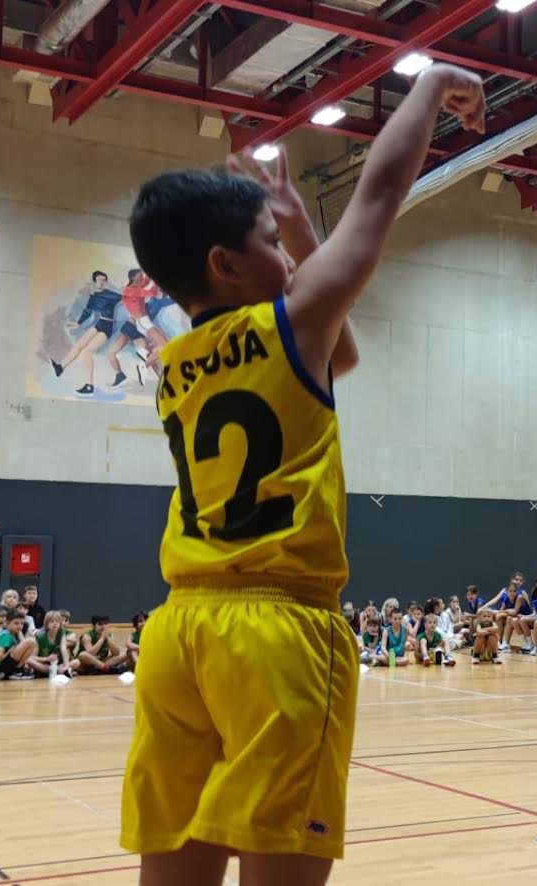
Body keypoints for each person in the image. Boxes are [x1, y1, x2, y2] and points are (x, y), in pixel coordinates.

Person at [122, 64, 485, 883]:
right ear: (225, 264)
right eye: (270, 244)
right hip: (276, 632)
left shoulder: (176, 363)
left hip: (180, 632)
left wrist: (289, 221)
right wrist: (430, 87)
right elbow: (380, 196)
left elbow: (340, 354)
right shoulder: (290, 327)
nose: (286, 256)